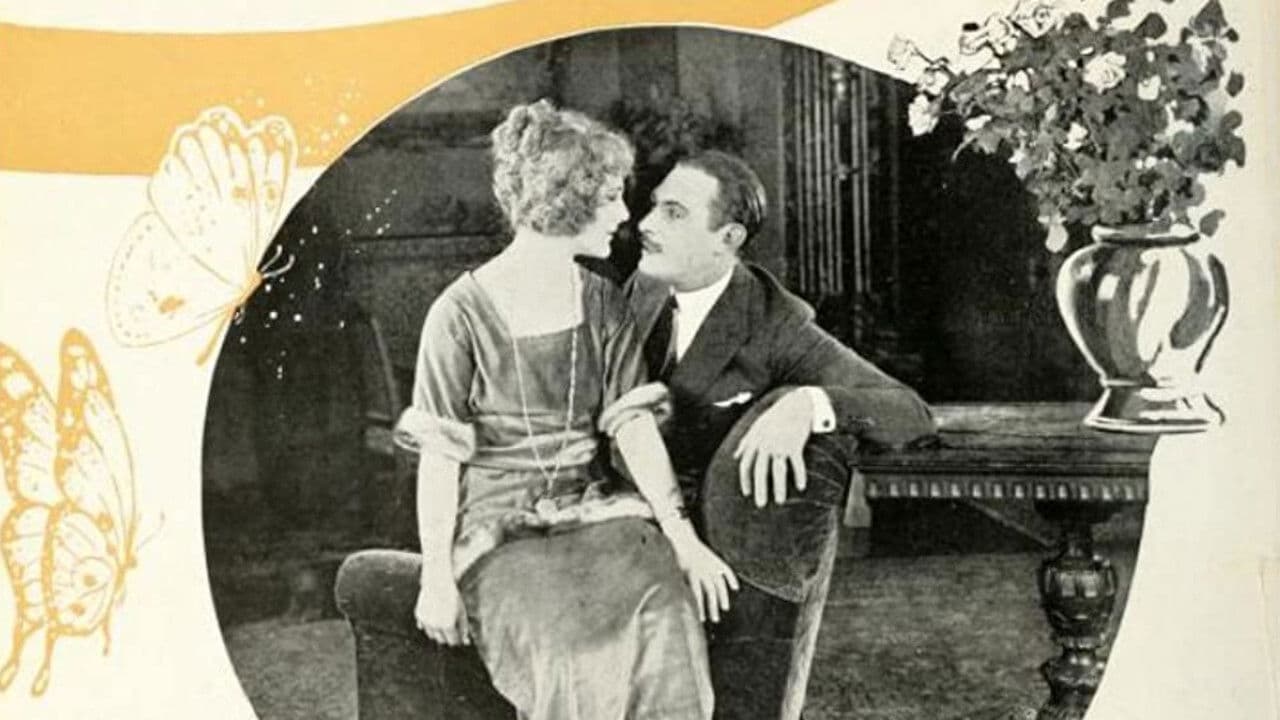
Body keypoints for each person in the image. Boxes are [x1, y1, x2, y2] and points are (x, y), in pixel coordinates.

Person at [392, 100, 736, 720]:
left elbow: (634, 428)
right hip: (498, 535)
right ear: (564, 201)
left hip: (601, 516)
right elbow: (439, 462)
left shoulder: (604, 301)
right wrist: (436, 577)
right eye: (609, 198)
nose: (625, 215)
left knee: (665, 612)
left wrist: (683, 539)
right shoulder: (457, 314)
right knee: (567, 651)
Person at [628, 149, 937, 719]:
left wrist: (808, 403)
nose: (645, 224)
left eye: (674, 213)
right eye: (653, 206)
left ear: (728, 238)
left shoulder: (776, 323)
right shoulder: (645, 288)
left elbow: (909, 411)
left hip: (716, 544)